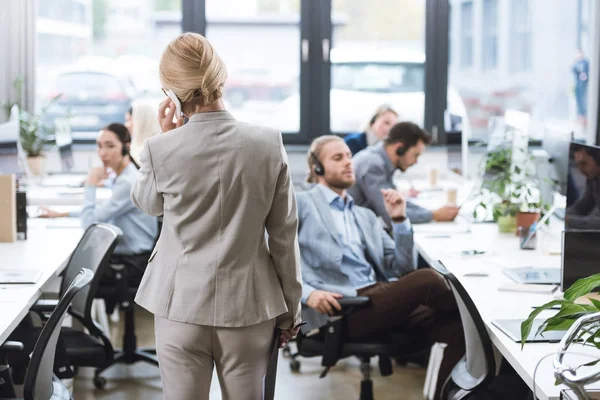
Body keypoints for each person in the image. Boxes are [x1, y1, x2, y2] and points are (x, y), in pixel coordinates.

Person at [130, 33, 303, 400]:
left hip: (178, 305)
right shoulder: (268, 143)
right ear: (220, 78)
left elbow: (148, 204)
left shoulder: (161, 148)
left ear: (171, 94)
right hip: (250, 306)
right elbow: (285, 237)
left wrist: (164, 141)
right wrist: (292, 310)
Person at [299, 135, 464, 400]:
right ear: (317, 168)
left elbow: (402, 267)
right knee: (429, 280)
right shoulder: (301, 204)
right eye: (337, 158)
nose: (348, 163)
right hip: (342, 308)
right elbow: (273, 260)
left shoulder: (364, 215)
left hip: (378, 297)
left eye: (349, 157)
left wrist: (399, 220)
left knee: (458, 326)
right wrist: (308, 294)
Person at [39, 123, 158, 278]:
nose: (102, 153)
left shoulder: (127, 182)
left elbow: (89, 223)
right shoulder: (125, 176)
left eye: (110, 146)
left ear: (125, 147)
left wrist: (91, 183)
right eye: (99, 146)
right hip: (129, 257)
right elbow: (102, 212)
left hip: (130, 264)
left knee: (63, 271)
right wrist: (62, 214)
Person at [348, 121, 459, 226]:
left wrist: (432, 212)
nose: (416, 161)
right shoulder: (373, 165)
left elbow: (398, 203)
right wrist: (434, 215)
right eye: (415, 155)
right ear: (399, 148)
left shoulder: (380, 161)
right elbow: (391, 213)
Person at [566, 143, 600, 229]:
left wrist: (569, 220)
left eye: (584, 164)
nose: (580, 170)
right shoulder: (593, 179)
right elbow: (582, 207)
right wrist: (564, 214)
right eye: (578, 164)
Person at [125, 99, 162, 165]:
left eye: (129, 120)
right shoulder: (134, 147)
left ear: (141, 121)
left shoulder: (155, 147)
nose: (126, 125)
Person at [573, 49, 590, 127]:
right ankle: (580, 118)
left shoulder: (586, 63)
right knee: (579, 102)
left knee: (583, 102)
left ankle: (584, 118)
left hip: (584, 85)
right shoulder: (576, 63)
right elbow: (572, 70)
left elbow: (587, 73)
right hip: (578, 85)